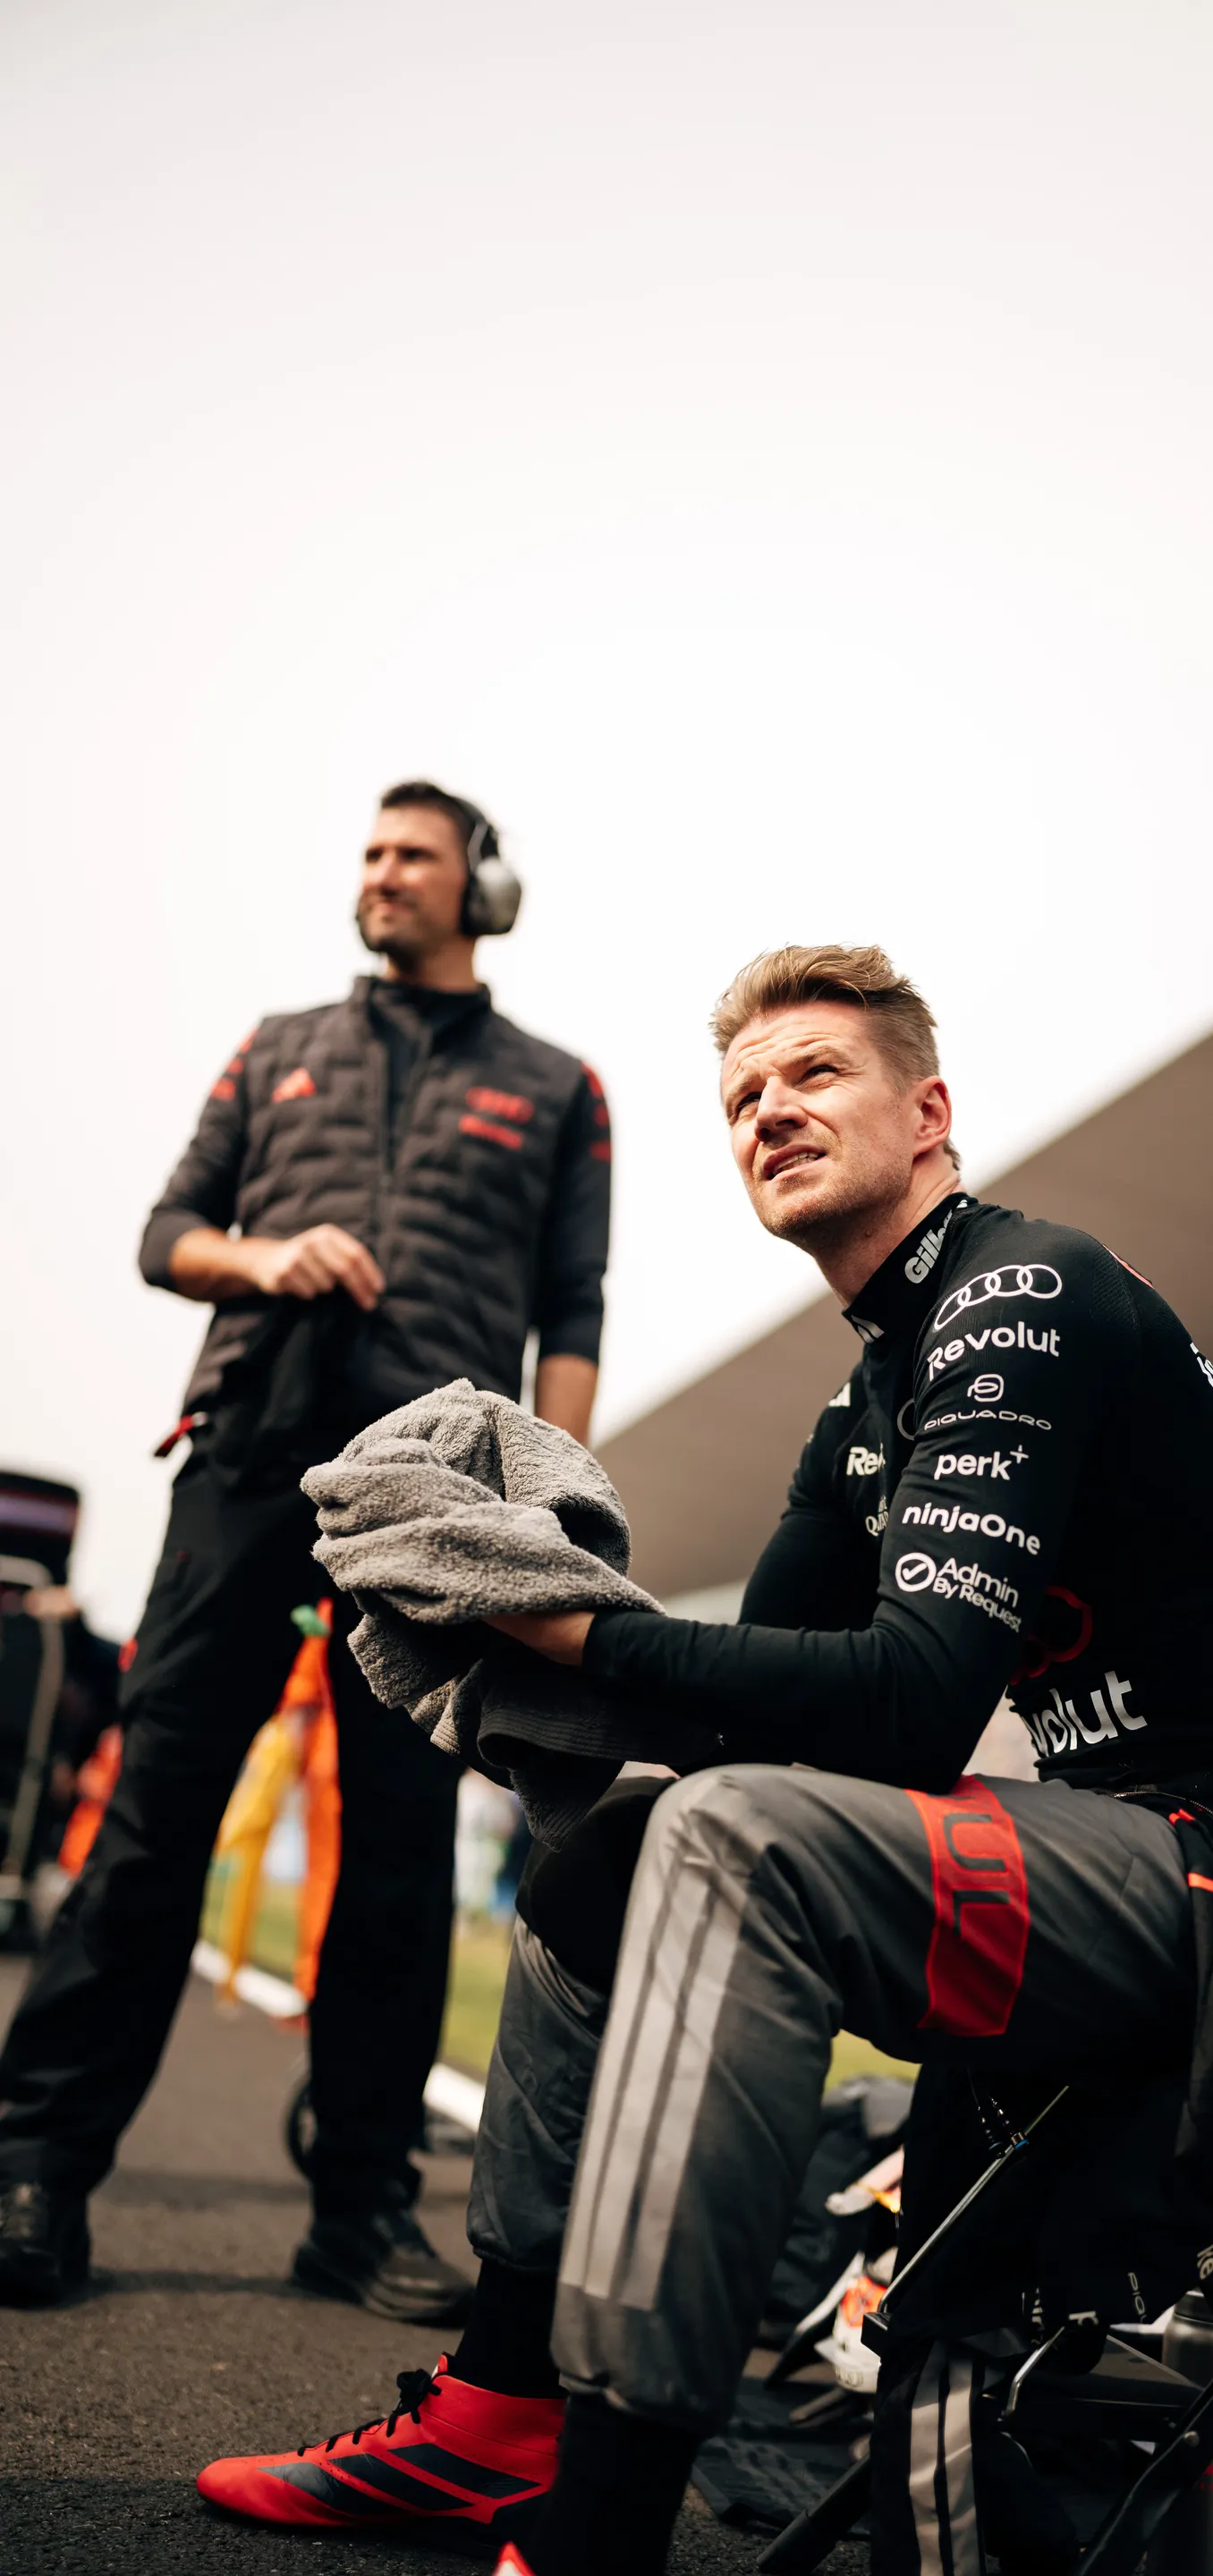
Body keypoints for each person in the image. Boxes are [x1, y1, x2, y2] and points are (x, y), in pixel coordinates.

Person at [196, 944, 1213, 2576]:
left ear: (929, 1113)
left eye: (814, 1075)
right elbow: (735, 1710)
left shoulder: (1026, 1288)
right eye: (742, 1099)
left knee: (733, 1839)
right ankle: (499, 2420)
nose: (770, 1109)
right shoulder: (862, 1408)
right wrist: (502, 1606)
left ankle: (600, 2529)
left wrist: (567, 1631)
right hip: (1121, 1867)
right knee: (621, 1852)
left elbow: (911, 1704)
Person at [0, 784, 612, 2321]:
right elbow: (166, 1235)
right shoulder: (277, 1048)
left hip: (437, 1507)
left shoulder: (560, 1088)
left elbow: (574, 1310)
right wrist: (265, 1257)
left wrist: (543, 1514)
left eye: (412, 854)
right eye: (370, 855)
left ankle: (359, 2210)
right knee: (152, 1821)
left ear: (484, 882)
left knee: (400, 1860)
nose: (381, 875)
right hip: (248, 1456)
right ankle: (38, 2169)